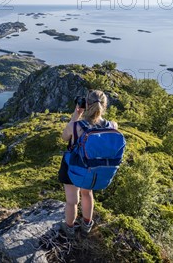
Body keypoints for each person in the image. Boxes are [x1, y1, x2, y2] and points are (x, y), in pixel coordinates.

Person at [58, 90, 118, 237]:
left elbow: (64, 137)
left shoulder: (76, 126)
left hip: (73, 168)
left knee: (72, 201)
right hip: (93, 169)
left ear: (86, 104)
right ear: (104, 105)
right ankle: (86, 225)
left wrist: (76, 114)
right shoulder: (113, 126)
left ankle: (69, 228)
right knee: (87, 193)